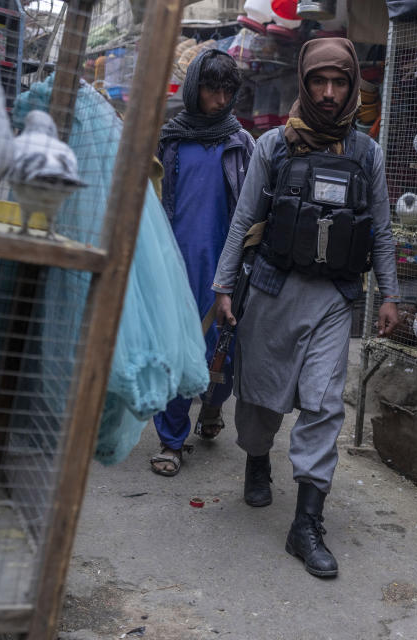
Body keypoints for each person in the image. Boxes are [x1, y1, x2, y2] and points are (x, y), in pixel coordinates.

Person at [211, 38, 399, 578]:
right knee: (260, 404)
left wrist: (391, 294)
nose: (329, 92)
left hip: (334, 300)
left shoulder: (367, 153)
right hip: (271, 291)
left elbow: (382, 233)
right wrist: (224, 287)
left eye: (340, 83)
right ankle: (255, 459)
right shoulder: (272, 146)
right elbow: (243, 220)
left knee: (324, 405)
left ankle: (306, 525)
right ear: (304, 82)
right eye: (320, 81)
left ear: (351, 86)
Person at [150, 49, 255, 477]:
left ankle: (211, 409)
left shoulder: (241, 143)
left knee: (222, 356)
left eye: (228, 90)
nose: (220, 98)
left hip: (224, 270)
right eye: (212, 88)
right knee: (177, 352)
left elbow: (252, 212)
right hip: (176, 265)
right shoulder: (170, 141)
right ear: (195, 88)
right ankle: (171, 440)